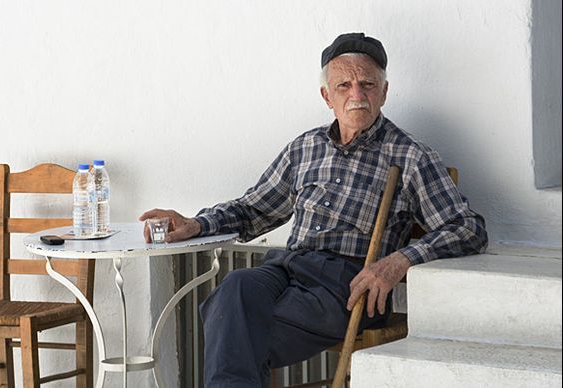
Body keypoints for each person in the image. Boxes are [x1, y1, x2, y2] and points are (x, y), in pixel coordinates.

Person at [140, 32, 488, 387]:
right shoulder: (305, 148)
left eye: (368, 84)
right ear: (326, 96)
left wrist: (399, 261)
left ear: (384, 92)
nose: (357, 95)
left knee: (231, 330)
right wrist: (196, 224)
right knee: (235, 287)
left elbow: (467, 228)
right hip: (286, 267)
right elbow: (252, 210)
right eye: (344, 85)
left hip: (345, 284)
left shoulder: (410, 156)